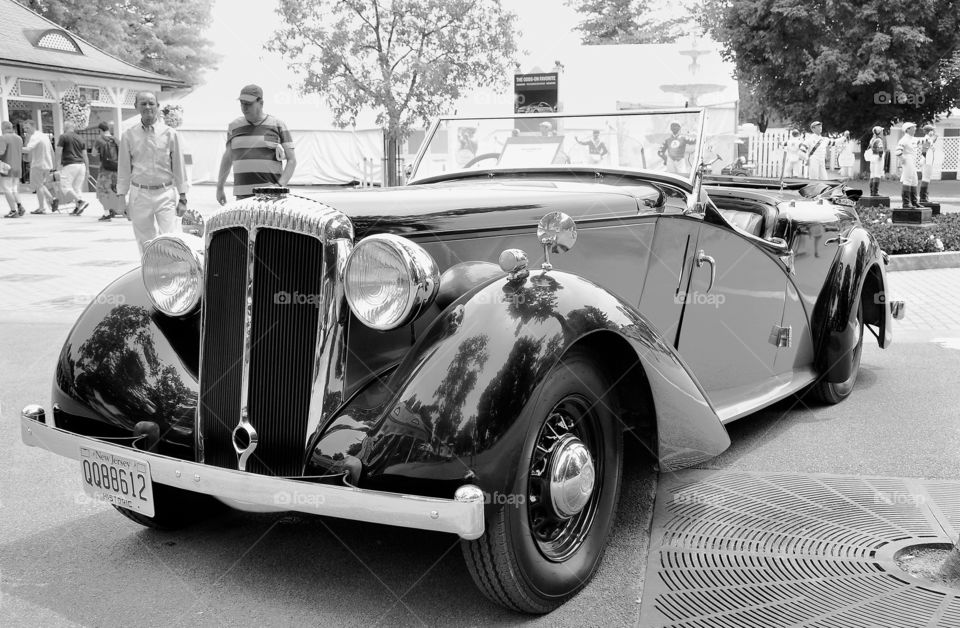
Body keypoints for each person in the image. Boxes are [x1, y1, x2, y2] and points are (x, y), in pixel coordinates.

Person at [116, 91, 190, 254]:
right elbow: (123, 169)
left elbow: (179, 167)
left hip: (165, 193)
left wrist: (183, 196)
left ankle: (171, 273)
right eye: (143, 103)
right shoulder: (128, 135)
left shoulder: (170, 134)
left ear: (157, 106)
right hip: (139, 194)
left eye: (151, 103)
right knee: (145, 241)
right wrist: (121, 197)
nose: (147, 107)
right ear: (136, 107)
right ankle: (150, 275)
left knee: (170, 239)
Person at [216, 84, 296, 204]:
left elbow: (292, 160)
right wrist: (219, 187)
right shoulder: (234, 126)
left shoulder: (278, 125)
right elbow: (228, 157)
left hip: (271, 198)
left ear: (261, 103)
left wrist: (280, 186)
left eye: (248, 104)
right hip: (241, 198)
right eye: (242, 103)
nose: (244, 107)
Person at [21, 120, 57, 214]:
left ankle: (42, 208)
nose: (25, 130)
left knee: (38, 186)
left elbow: (28, 149)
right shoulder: (43, 136)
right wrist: (53, 164)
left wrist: (15, 148)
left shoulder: (34, 137)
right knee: (41, 185)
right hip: (47, 164)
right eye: (24, 128)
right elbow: (51, 150)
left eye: (27, 127)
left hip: (38, 164)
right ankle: (52, 200)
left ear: (33, 126)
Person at [55, 120, 90, 215]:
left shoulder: (63, 136)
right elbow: (85, 155)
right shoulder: (80, 138)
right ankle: (78, 208)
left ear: (65, 127)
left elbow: (58, 151)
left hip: (70, 164)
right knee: (77, 188)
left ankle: (80, 201)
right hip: (81, 165)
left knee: (65, 186)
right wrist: (87, 169)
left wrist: (57, 164)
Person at [92, 121, 121, 221]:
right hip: (116, 169)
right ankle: (118, 209)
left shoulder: (100, 139)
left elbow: (94, 153)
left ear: (100, 130)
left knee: (102, 192)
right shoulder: (116, 139)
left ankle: (107, 213)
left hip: (105, 170)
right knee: (114, 190)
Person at [0, 121, 25, 218]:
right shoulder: (19, 138)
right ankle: (19, 205)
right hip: (17, 167)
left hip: (7, 167)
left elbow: (1, 152)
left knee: (6, 189)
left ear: (4, 128)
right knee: (14, 188)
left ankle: (13, 210)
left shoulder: (3, 138)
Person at [894, 122, 920, 209]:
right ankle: (906, 203)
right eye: (913, 127)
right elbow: (898, 151)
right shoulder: (903, 140)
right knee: (907, 180)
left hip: (912, 160)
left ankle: (914, 202)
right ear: (907, 129)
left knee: (914, 181)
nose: (915, 129)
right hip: (907, 159)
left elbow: (923, 142)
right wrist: (903, 160)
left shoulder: (913, 139)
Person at [919, 124, 938, 204]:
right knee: (925, 179)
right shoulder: (927, 139)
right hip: (927, 161)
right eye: (932, 130)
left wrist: (935, 137)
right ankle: (923, 197)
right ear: (929, 131)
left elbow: (932, 141)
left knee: (926, 179)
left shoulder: (928, 138)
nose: (933, 132)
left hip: (927, 161)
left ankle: (924, 196)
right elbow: (924, 151)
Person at [865, 126, 886, 196]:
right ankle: (875, 192)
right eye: (882, 131)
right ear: (879, 132)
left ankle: (872, 192)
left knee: (872, 175)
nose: (882, 132)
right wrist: (880, 156)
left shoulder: (872, 139)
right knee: (877, 175)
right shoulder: (879, 140)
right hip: (877, 158)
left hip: (872, 157)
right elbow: (880, 149)